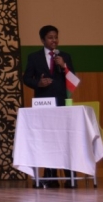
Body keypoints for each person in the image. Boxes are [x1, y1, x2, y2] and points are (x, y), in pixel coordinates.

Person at [22, 25, 76, 188]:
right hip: (43, 103)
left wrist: (64, 66)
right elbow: (26, 78)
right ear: (42, 39)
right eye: (50, 38)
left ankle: (69, 177)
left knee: (64, 139)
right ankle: (50, 176)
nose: (54, 41)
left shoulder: (65, 56)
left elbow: (73, 79)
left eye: (56, 37)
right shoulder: (34, 57)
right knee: (47, 139)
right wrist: (38, 83)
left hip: (61, 102)